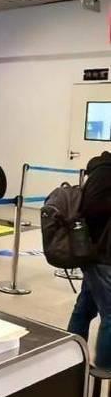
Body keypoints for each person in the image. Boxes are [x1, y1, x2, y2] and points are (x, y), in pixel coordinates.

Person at [68, 151, 111, 368]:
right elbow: (91, 209)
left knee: (85, 307)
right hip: (101, 256)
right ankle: (104, 373)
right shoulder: (104, 172)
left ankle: (71, 359)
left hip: (100, 256)